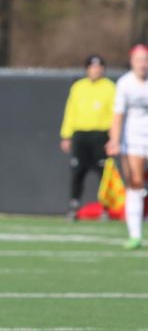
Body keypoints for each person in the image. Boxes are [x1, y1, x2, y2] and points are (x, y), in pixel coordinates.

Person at [59, 54, 115, 220]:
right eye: (92, 67)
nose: (95, 70)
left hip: (101, 135)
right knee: (78, 171)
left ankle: (105, 207)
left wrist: (114, 136)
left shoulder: (110, 88)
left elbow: (115, 113)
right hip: (81, 134)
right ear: (87, 69)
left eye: (98, 67)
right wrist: (66, 135)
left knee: (103, 173)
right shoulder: (78, 87)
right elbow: (70, 111)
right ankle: (74, 205)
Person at [107, 44, 148, 249]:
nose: (143, 64)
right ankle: (135, 234)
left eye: (146, 59)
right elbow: (118, 115)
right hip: (132, 140)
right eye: (139, 60)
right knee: (136, 182)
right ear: (132, 62)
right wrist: (114, 140)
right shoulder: (125, 84)